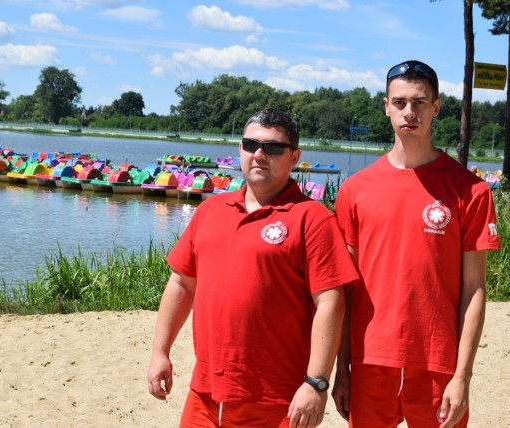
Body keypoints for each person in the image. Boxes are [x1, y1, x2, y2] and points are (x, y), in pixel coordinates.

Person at [147, 108, 359, 427]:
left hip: (277, 400)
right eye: (250, 144)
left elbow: (331, 303)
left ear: (294, 156)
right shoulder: (210, 210)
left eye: (273, 147)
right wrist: (160, 352)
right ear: (240, 150)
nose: (259, 154)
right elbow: (181, 284)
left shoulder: (313, 219)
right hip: (205, 393)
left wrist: (316, 382)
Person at [332, 60, 501, 428]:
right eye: (400, 102)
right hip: (370, 359)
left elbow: (474, 290)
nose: (410, 112)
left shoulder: (470, 190)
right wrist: (341, 368)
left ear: (436, 107)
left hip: (438, 363)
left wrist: (463, 375)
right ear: (386, 106)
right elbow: (346, 291)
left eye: (420, 102)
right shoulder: (354, 190)